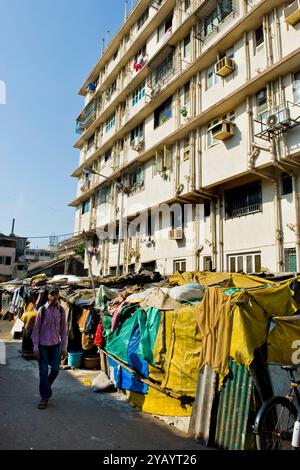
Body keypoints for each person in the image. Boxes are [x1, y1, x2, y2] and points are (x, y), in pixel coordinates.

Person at [32, 288, 68, 410]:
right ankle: (44, 397)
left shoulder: (61, 311)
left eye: (56, 294)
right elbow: (36, 331)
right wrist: (35, 347)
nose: (54, 297)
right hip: (42, 346)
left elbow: (64, 331)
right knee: (43, 372)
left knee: (56, 370)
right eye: (51, 294)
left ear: (58, 295)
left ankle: (45, 387)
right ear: (48, 296)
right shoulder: (42, 310)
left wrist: (64, 348)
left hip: (55, 345)